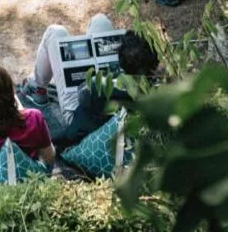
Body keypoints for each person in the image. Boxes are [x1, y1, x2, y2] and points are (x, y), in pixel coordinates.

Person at [20, 14, 159, 145]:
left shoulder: (95, 89)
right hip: (108, 99)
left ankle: (36, 87)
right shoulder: (159, 89)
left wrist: (57, 142)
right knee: (100, 20)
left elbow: (83, 101)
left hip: (83, 113)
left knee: (55, 32)